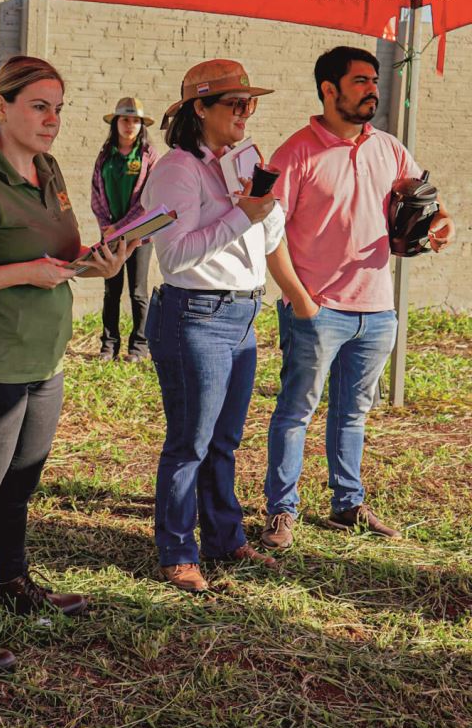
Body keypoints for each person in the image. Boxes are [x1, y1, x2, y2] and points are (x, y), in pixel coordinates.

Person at [0, 55, 136, 669]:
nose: (52, 121)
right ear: (2, 105)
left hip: (44, 359)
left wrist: (100, 262)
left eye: (59, 108)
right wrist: (25, 272)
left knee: (20, 485)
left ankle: (14, 586)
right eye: (39, 106)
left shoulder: (46, 168)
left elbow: (61, 252)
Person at [260, 46, 456, 550]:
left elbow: (421, 203)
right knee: (296, 411)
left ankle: (347, 504)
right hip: (317, 310)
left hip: (377, 309)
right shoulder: (295, 153)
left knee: (353, 413)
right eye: (361, 81)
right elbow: (268, 235)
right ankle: (282, 510)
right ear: (329, 89)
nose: (373, 89)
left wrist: (438, 224)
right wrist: (299, 298)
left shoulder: (388, 148)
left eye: (374, 81)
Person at [141, 60, 289, 594]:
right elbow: (175, 256)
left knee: (223, 440)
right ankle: (177, 551)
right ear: (198, 109)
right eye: (234, 104)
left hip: (242, 312)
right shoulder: (178, 169)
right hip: (195, 314)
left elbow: (268, 240)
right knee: (190, 442)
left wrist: (264, 202)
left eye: (250, 104)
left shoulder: (238, 164)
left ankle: (226, 539)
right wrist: (242, 215)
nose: (245, 114)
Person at [91, 97, 159, 361]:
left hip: (139, 236)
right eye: (125, 119)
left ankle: (138, 347)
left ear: (142, 125)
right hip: (108, 235)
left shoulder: (148, 156)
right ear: (116, 123)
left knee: (138, 292)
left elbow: (147, 200)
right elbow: (96, 193)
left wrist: (119, 228)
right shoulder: (105, 155)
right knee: (111, 290)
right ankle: (109, 345)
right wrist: (106, 227)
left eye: (135, 121)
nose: (130, 125)